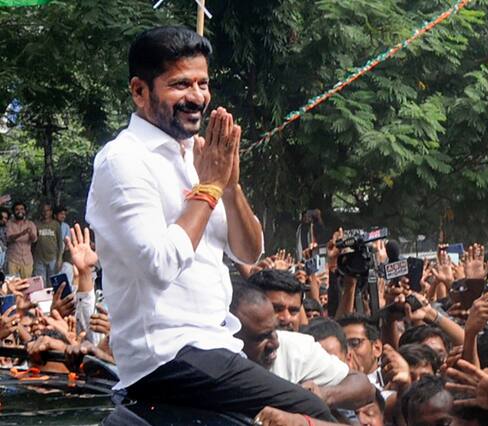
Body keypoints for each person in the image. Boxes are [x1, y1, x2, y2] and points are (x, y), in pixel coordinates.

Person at [86, 26, 333, 421]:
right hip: (166, 356)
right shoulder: (123, 161)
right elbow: (160, 264)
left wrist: (230, 187)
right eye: (180, 84)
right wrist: (209, 187)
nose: (197, 97)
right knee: (312, 412)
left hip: (216, 345)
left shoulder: (199, 156)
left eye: (203, 83)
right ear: (139, 90)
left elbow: (249, 251)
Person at [230, 283, 374, 411]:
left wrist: (323, 395)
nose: (275, 343)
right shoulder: (218, 366)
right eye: (261, 337)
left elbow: (364, 387)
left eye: (274, 331)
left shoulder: (295, 348)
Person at [6, 201, 37, 278]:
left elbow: (34, 240)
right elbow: (9, 238)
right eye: (17, 209)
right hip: (13, 260)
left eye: (22, 209)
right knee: (12, 283)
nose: (19, 211)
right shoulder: (9, 224)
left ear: (25, 211)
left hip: (27, 260)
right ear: (13, 212)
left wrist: (30, 233)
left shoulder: (31, 224)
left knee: (26, 283)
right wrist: (22, 233)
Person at [33, 203, 62, 284]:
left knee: (52, 282)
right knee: (40, 282)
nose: (45, 213)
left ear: (51, 212)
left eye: (48, 210)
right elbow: (33, 242)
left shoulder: (56, 225)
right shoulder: (36, 224)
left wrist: (59, 259)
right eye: (43, 211)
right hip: (39, 258)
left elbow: (60, 243)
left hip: (53, 258)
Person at [54, 206, 73, 284]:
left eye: (64, 214)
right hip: (50, 254)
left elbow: (67, 243)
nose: (63, 216)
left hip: (62, 254)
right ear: (55, 215)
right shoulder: (51, 225)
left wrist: (63, 256)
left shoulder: (66, 226)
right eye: (61, 214)